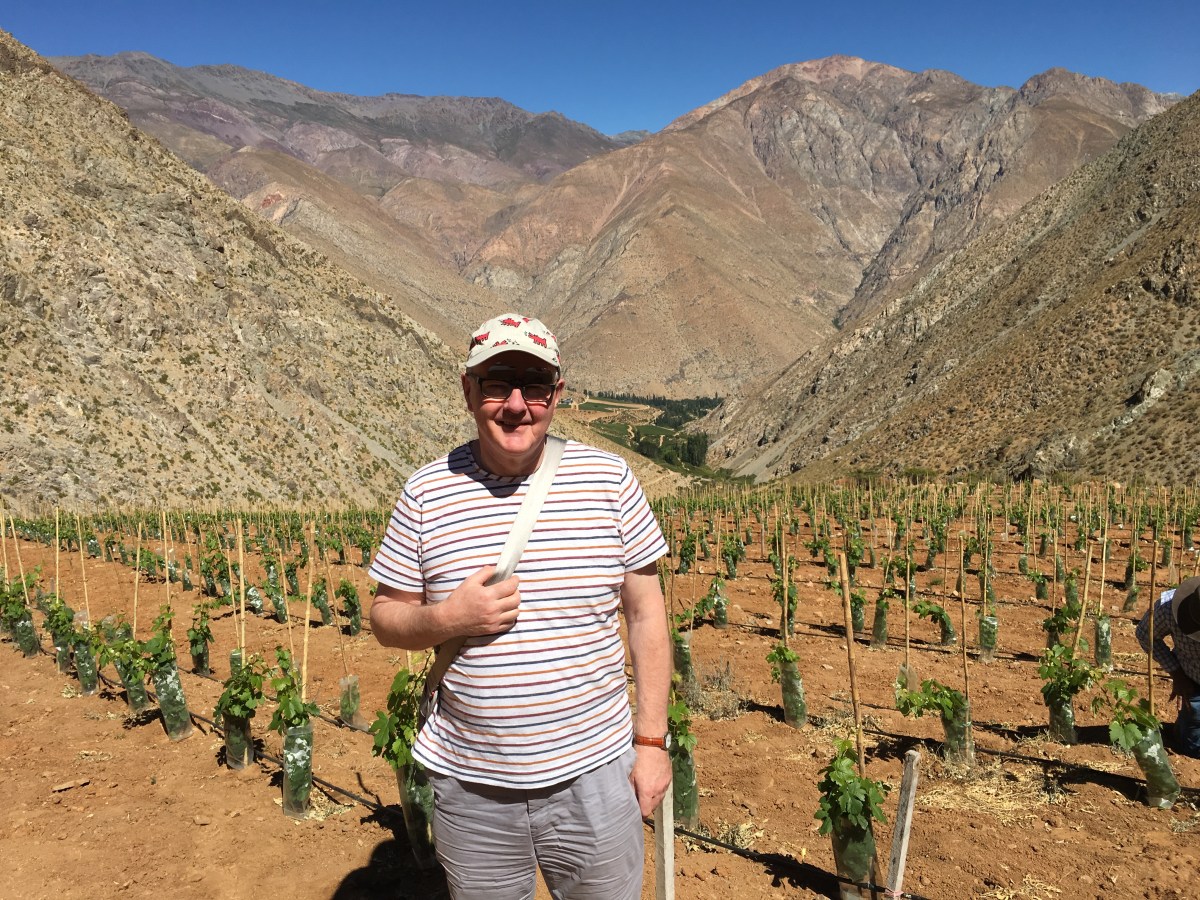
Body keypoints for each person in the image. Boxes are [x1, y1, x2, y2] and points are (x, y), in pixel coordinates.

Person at [368, 312, 672, 899]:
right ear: (468, 391)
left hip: (597, 777)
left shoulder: (609, 480)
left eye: (533, 386)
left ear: (556, 394)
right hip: (471, 789)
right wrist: (448, 619)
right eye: (497, 384)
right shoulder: (426, 492)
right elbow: (385, 617)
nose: (515, 405)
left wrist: (653, 744)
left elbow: (646, 616)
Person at [1135, 574, 1200, 757]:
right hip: (1194, 679)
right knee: (1194, 747)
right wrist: (1177, 674)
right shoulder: (1168, 608)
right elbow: (1145, 635)